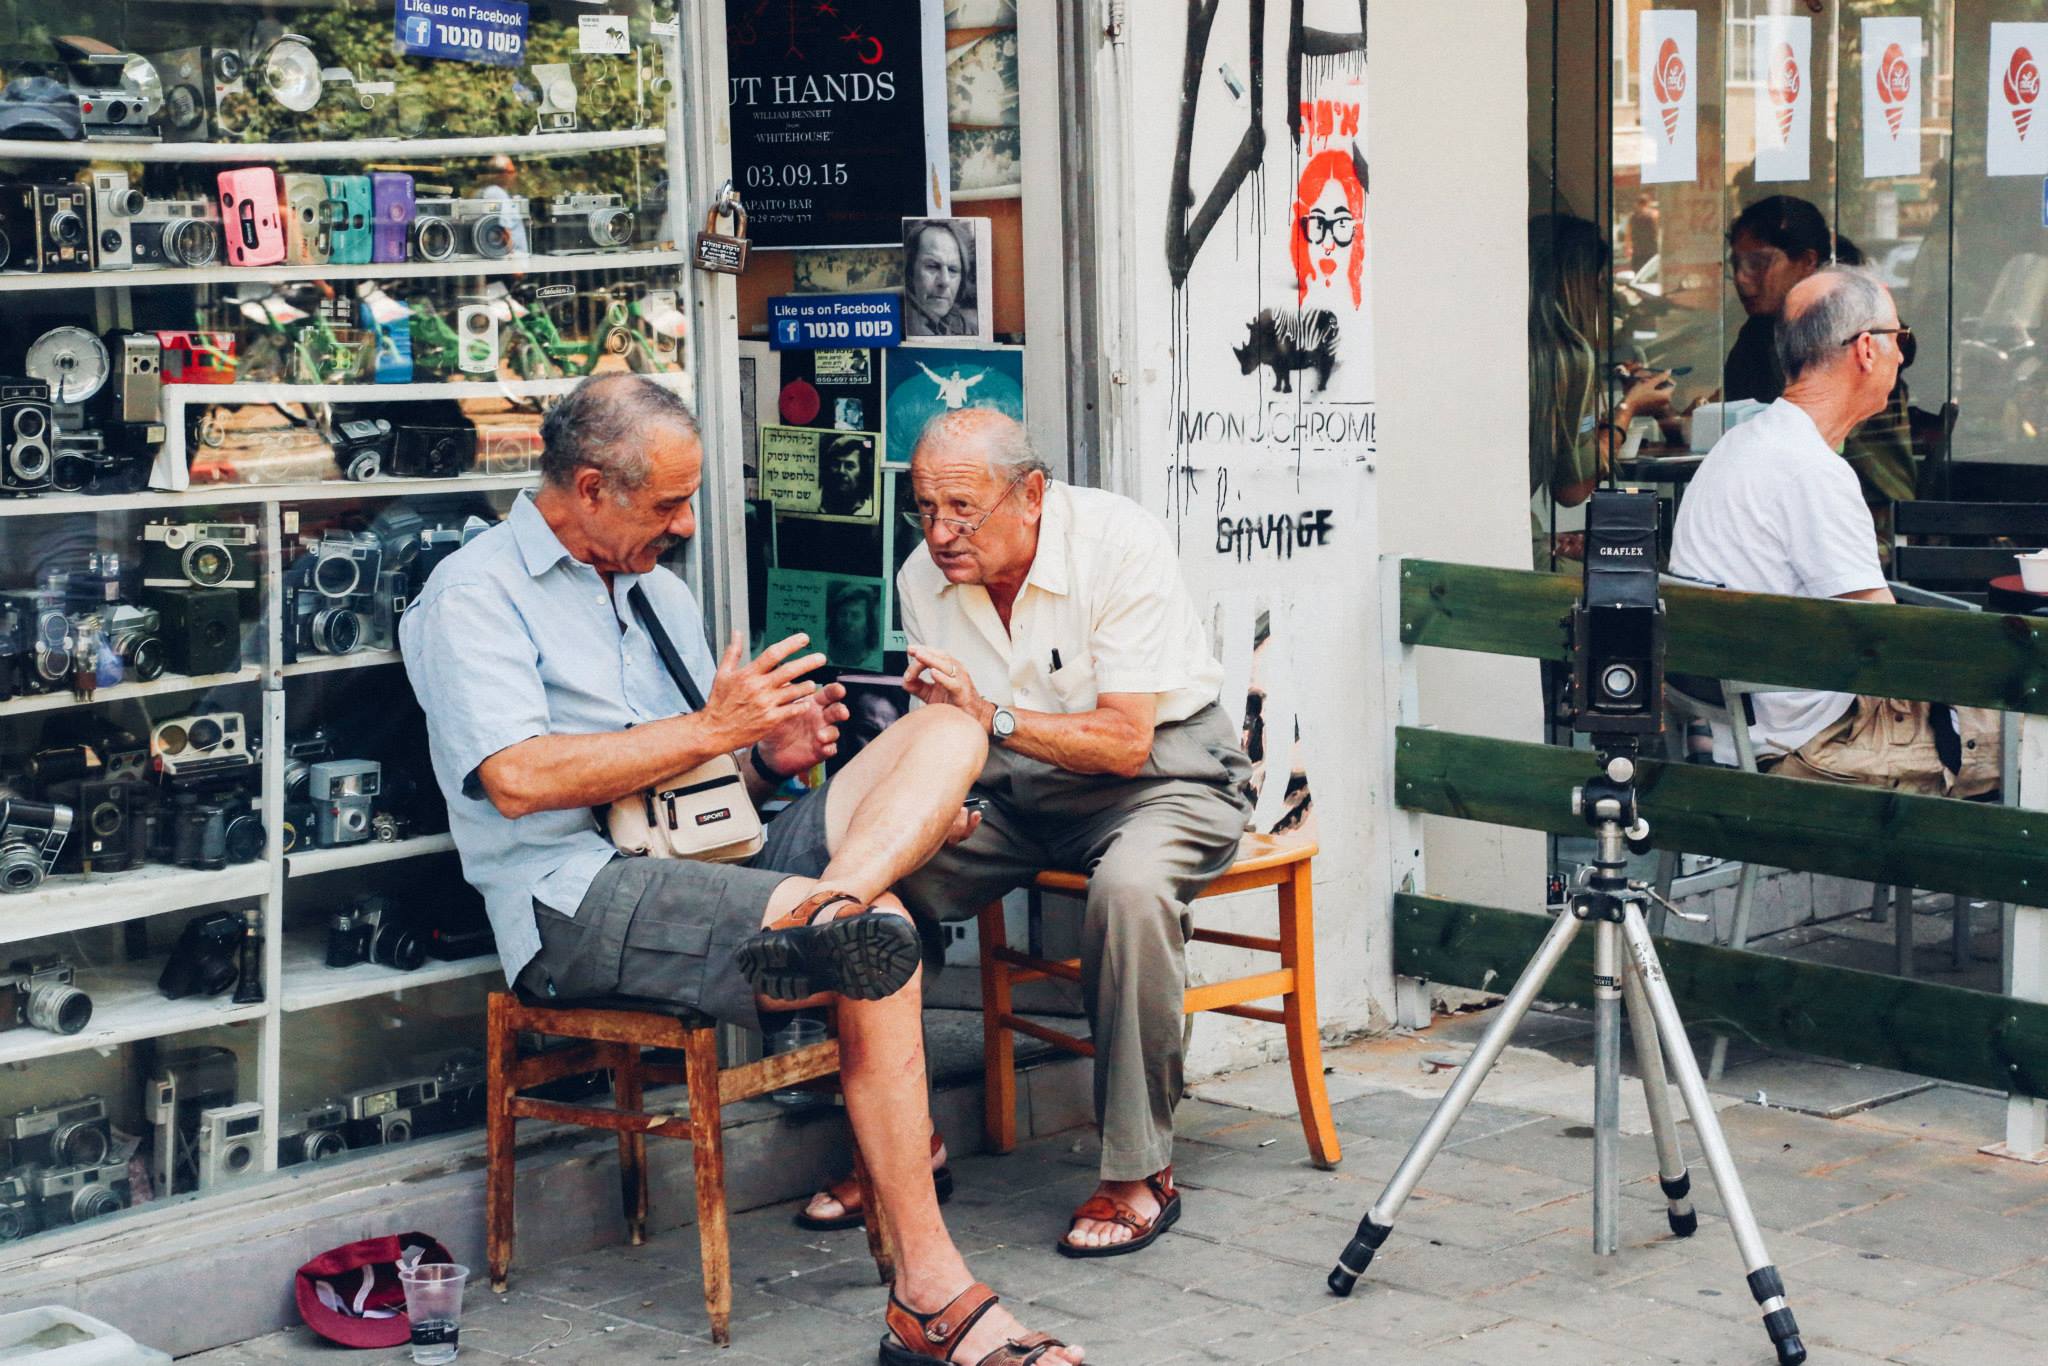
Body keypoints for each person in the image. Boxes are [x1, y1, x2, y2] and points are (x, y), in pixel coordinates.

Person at [401, 375, 1082, 1366]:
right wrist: (717, 727)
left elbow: (701, 773)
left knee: (943, 731)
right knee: (881, 943)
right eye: (668, 504)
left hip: (716, 857)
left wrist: (767, 757)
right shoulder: (471, 597)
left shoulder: (656, 588)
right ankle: (930, 1296)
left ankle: (831, 905)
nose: (685, 525)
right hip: (578, 896)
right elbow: (516, 777)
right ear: (589, 488)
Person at [894, 407, 1252, 1258]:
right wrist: (934, 798)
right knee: (878, 879)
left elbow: (1126, 742)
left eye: (961, 510)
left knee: (1128, 893)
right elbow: (950, 729)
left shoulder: (1117, 541)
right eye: (924, 509)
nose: (940, 534)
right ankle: (905, 1146)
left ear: (1031, 495)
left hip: (1163, 778)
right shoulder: (924, 577)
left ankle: (1139, 1169)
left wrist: (992, 717)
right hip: (1013, 790)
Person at [1671, 267, 1997, 796]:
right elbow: (1886, 647)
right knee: (2030, 727)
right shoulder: (1809, 470)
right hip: (1814, 745)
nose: (1900, 355)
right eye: (1901, 339)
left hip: (1747, 726)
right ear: (1867, 349)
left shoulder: (1741, 444)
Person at [1723, 196, 1916, 531]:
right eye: (1736, 265)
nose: (1742, 279)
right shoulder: (1756, 336)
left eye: (1759, 263)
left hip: (1869, 515)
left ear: (1808, 262)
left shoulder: (1847, 339)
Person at [1527, 214, 1676, 566]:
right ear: (1579, 284)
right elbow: (1575, 488)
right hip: (1524, 551)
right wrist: (1628, 410)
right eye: (1600, 285)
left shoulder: (1515, 346)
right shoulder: (1568, 357)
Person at [903, 221, 977, 338]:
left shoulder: (966, 327)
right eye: (932, 266)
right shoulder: (903, 327)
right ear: (910, 271)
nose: (945, 281)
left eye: (953, 270)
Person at [825, 579, 880, 667]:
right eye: (843, 614)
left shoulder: (875, 661)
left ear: (869, 622)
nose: (847, 621)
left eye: (855, 616)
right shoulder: (821, 652)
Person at [819, 433, 875, 517]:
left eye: (849, 466)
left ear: (862, 472)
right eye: (836, 465)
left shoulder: (870, 511)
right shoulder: (816, 505)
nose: (841, 471)